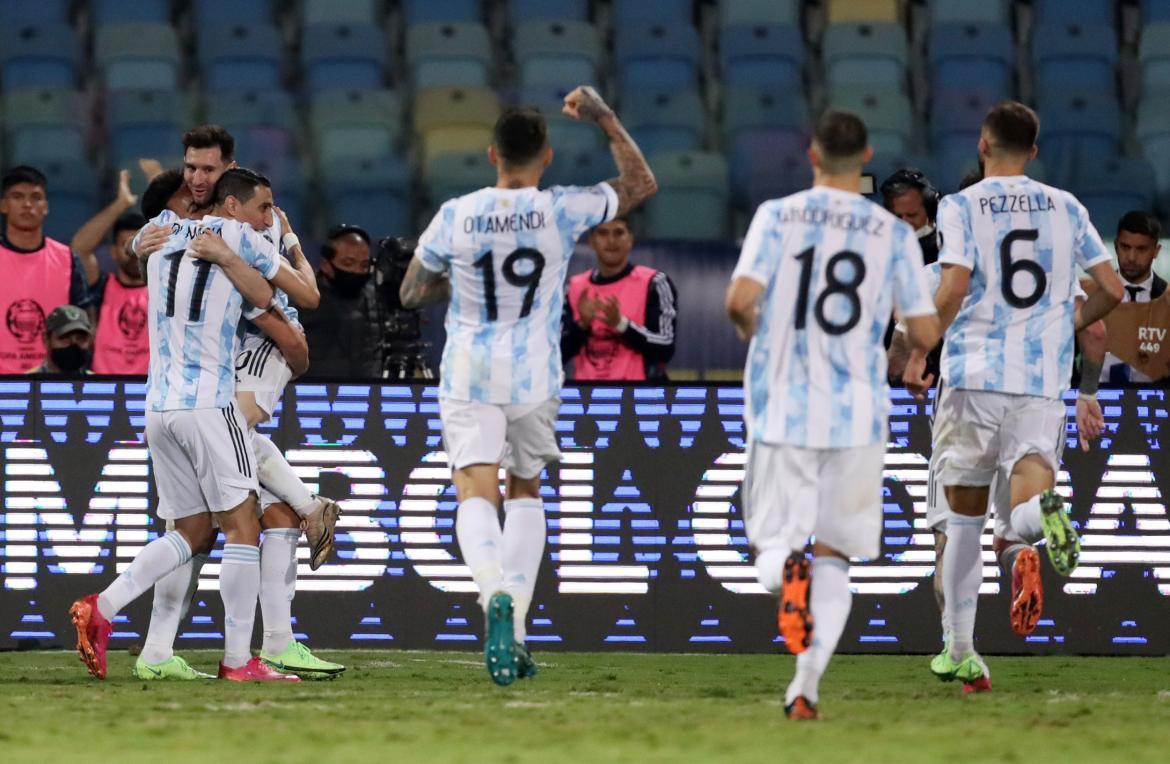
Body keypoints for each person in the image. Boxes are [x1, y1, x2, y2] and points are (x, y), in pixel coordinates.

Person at [399, 87, 657, 686]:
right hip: (534, 374)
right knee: (525, 492)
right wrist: (605, 117)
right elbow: (640, 184)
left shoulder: (456, 214)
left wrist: (454, 287)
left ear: (492, 154)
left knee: (473, 494)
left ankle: (494, 596)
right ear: (544, 158)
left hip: (469, 372)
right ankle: (514, 630)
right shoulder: (561, 209)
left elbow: (412, 292)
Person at [725, 109, 940, 721]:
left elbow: (740, 301)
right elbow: (923, 326)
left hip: (783, 403)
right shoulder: (893, 235)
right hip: (856, 413)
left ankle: (782, 568)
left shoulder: (776, 216)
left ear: (812, 153)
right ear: (865, 155)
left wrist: (754, 331)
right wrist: (912, 338)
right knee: (836, 557)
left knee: (773, 543)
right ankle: (805, 687)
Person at [901, 101, 1124, 689]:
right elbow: (1111, 290)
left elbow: (954, 284)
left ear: (982, 144)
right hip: (1040, 386)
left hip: (973, 380)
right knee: (1023, 499)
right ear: (1034, 148)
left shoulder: (960, 205)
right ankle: (1042, 516)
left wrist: (923, 346)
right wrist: (1068, 321)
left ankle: (960, 649)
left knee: (963, 524)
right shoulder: (1066, 207)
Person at [69, 168, 309, 682]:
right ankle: (240, 660)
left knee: (193, 531)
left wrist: (135, 243)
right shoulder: (238, 235)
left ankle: (103, 607)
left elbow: (135, 245)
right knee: (243, 525)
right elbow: (301, 297)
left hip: (158, 408)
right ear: (229, 205)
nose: (266, 216)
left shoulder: (153, 236)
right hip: (210, 404)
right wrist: (270, 248)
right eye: (262, 206)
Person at [130, 166, 342, 681]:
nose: (197, 178)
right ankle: (225, 653)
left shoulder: (241, 226)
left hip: (200, 384)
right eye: (190, 171)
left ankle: (274, 642)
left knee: (253, 522)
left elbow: (301, 309)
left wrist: (286, 239)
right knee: (214, 528)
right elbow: (292, 324)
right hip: (216, 382)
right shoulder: (199, 231)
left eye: (206, 168)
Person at [889, 269, 1107, 693]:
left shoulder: (952, 260)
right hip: (1037, 402)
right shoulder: (1055, 258)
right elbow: (1096, 329)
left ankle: (960, 648)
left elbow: (908, 331)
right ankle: (1042, 519)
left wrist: (905, 363)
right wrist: (1089, 392)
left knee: (954, 537)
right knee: (1012, 534)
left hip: (969, 401)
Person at [0, 166, 92, 373]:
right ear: (3, 205)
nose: (27, 204)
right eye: (17, 196)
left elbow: (86, 323)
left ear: (46, 206)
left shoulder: (67, 259)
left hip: (51, 385)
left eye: (36, 197)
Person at [561, 217, 678, 380]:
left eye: (619, 233)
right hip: (587, 398)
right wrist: (582, 325)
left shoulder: (654, 282)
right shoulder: (573, 287)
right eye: (603, 233)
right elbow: (557, 355)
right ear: (592, 241)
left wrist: (621, 324)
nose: (611, 240)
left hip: (639, 399)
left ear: (630, 239)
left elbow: (665, 347)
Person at [69, 170, 151, 375]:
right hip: (103, 392)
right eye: (126, 245)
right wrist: (120, 204)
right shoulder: (102, 286)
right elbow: (79, 249)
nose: (132, 253)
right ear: (113, 251)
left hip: (149, 393)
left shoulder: (164, 290)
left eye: (137, 245)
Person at [300, 223, 385, 378]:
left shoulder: (377, 298)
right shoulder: (303, 296)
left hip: (369, 396)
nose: (357, 271)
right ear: (326, 265)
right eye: (348, 263)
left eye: (364, 265)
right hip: (314, 396)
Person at [1100, 211, 1168, 384]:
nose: (1131, 257)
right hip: (1096, 401)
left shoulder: (1167, 301)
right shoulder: (1092, 296)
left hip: (1157, 403)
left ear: (1156, 251)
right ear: (1116, 246)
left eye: (1141, 249)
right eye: (1125, 247)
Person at [880, 168, 940, 264]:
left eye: (912, 215)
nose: (904, 223)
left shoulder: (948, 251)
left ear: (931, 210)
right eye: (898, 217)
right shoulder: (881, 248)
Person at [25, 305, 94, 375]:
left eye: (80, 338)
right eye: (65, 338)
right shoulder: (26, 383)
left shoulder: (98, 384)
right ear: (46, 340)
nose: (73, 344)